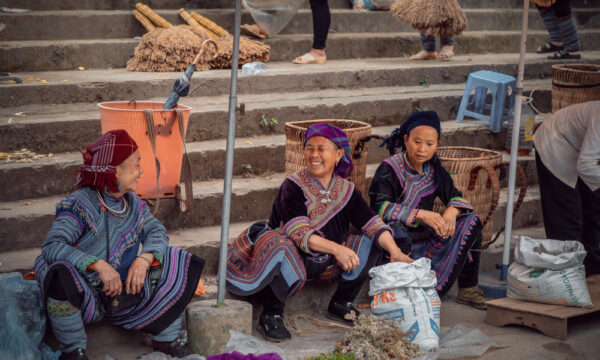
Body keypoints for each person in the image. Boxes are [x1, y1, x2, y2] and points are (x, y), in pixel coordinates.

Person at [226, 123, 411, 342]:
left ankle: (342, 302)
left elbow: (372, 222)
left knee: (372, 241)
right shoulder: (292, 186)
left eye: (321, 148)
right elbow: (298, 231)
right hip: (291, 261)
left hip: (327, 264)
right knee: (280, 243)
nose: (314, 154)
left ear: (338, 154)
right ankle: (271, 313)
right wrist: (338, 248)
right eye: (309, 148)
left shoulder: (346, 189)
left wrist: (395, 252)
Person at [34, 130, 205, 360]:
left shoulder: (133, 203)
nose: (142, 171)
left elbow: (156, 230)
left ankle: (165, 339)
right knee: (58, 273)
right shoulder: (79, 204)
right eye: (136, 164)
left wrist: (144, 259)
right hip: (89, 297)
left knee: (177, 260)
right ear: (116, 170)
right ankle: (74, 350)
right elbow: (53, 245)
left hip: (129, 296)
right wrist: (97, 265)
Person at [369, 111, 488, 309]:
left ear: (437, 145)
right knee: (395, 231)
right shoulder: (390, 168)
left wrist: (451, 212)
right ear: (406, 139)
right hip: (399, 241)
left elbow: (456, 197)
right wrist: (421, 214)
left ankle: (468, 288)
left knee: (471, 221)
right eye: (417, 142)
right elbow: (379, 208)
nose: (422, 149)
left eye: (430, 144)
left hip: (427, 237)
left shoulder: (434, 169)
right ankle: (417, 291)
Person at [533, 101, 600, 275]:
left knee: (594, 208)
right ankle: (566, 271)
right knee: (567, 213)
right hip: (554, 142)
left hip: (581, 151)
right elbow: (586, 165)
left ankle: (590, 264)